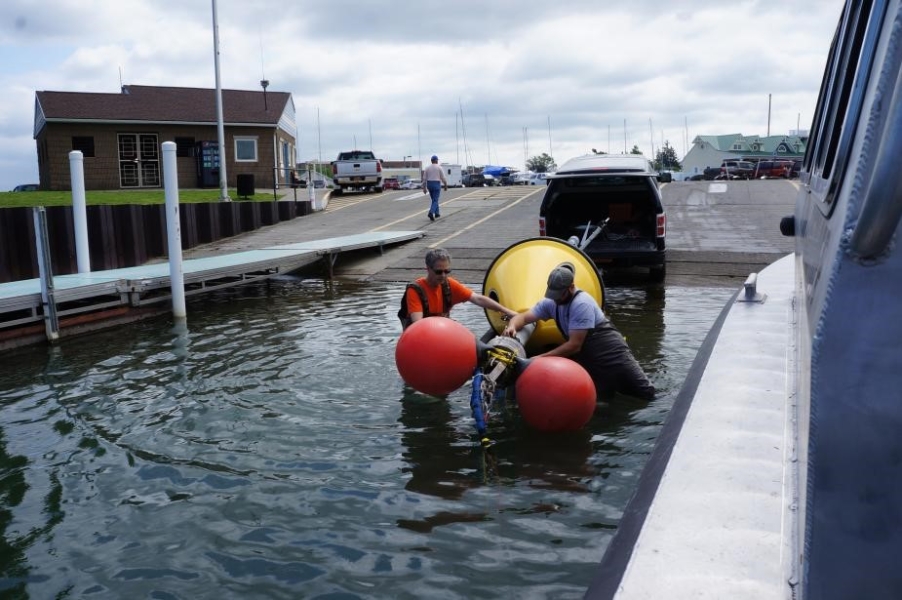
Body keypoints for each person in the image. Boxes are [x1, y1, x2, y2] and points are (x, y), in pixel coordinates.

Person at [501, 262, 656, 401]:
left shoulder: (581, 303)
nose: (556, 299)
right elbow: (523, 317)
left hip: (611, 351)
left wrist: (537, 359)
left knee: (646, 392)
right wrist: (513, 326)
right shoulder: (550, 302)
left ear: (571, 286)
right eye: (553, 294)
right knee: (603, 396)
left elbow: (574, 345)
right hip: (589, 356)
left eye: (559, 294)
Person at [399, 248, 518, 329]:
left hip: (442, 331)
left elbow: (478, 299)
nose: (443, 276)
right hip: (420, 339)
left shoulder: (449, 285)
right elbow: (418, 325)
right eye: (439, 272)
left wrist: (508, 312)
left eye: (447, 271)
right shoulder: (415, 290)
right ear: (428, 269)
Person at [422, 155, 448, 221]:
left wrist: (424, 188)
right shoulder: (439, 167)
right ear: (436, 160)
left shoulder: (427, 168)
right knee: (435, 200)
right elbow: (443, 178)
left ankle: (437, 213)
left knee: (434, 199)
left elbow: (424, 179)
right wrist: (445, 185)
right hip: (436, 184)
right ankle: (431, 212)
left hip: (429, 184)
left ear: (431, 161)